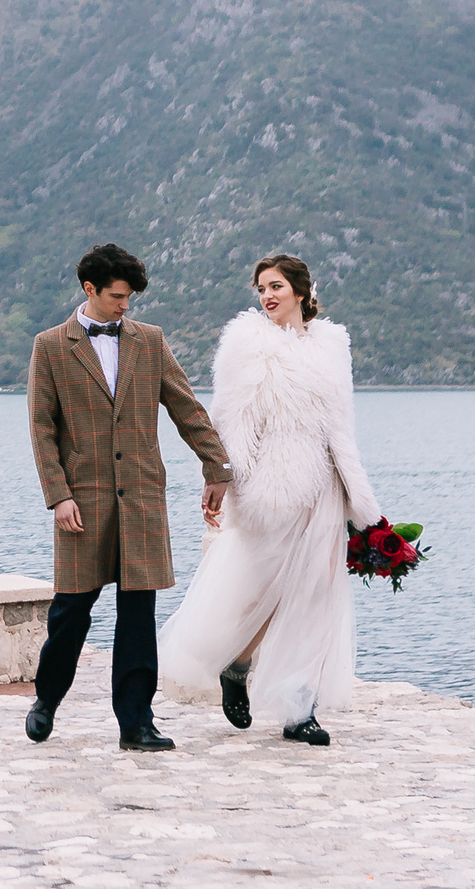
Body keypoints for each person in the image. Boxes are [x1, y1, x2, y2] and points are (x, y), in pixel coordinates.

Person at [160, 253, 384, 747]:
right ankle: (237, 666)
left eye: (276, 285)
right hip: (272, 486)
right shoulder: (248, 345)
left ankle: (299, 709)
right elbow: (232, 421)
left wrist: (359, 500)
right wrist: (221, 481)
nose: (267, 296)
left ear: (301, 292)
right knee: (267, 591)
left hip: (324, 489)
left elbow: (342, 429)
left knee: (316, 598)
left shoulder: (331, 346)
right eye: (261, 288)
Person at [24, 242, 233, 748]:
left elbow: (187, 408)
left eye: (130, 298)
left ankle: (136, 722)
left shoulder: (150, 341)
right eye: (118, 296)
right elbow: (41, 429)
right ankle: (47, 697)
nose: (126, 306)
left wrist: (218, 466)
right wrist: (58, 496)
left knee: (138, 614)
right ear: (89, 289)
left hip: (141, 497)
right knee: (71, 611)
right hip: (82, 500)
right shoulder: (51, 346)